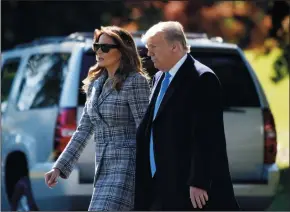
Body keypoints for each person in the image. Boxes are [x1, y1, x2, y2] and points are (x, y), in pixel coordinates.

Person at [134, 21, 240, 211]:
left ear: (174, 46)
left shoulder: (202, 78)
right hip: (159, 184)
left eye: (153, 47)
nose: (148, 54)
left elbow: (207, 135)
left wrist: (199, 181)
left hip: (187, 187)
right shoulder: (159, 77)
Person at [44, 26, 150, 211]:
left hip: (128, 168)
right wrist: (59, 167)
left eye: (106, 47)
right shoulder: (95, 84)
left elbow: (146, 128)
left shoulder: (135, 81)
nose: (99, 51)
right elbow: (83, 129)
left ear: (122, 51)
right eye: (97, 46)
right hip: (103, 168)